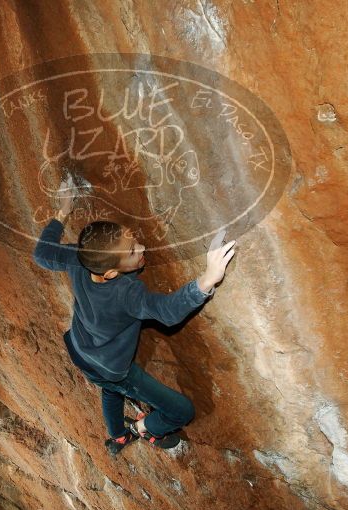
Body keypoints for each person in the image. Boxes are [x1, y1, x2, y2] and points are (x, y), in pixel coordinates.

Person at [33, 181, 236, 455]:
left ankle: (117, 437)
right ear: (112, 274)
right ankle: (140, 430)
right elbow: (167, 312)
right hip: (113, 368)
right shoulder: (126, 293)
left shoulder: (79, 259)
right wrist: (208, 279)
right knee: (181, 410)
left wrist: (63, 210)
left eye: (133, 241)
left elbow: (43, 254)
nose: (141, 248)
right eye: (131, 252)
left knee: (110, 390)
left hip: (80, 351)